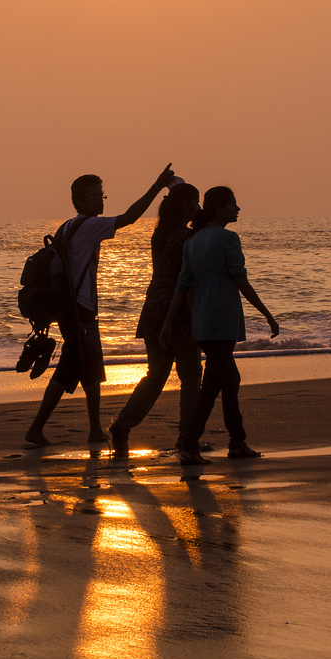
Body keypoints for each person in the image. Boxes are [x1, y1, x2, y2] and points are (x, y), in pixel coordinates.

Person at [25, 164, 175, 447]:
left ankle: (94, 429)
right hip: (78, 310)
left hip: (72, 308)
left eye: (101, 196)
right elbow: (130, 218)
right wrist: (157, 187)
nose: (99, 201)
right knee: (71, 365)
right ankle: (36, 428)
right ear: (79, 201)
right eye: (93, 197)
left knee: (91, 367)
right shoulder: (89, 225)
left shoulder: (66, 226)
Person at [160, 186, 279, 465]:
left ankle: (237, 443)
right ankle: (189, 444)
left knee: (230, 379)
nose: (238, 209)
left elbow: (183, 285)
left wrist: (169, 322)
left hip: (202, 319)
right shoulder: (228, 239)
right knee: (212, 384)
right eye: (233, 204)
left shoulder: (193, 240)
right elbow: (240, 280)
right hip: (222, 317)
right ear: (219, 208)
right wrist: (267, 314)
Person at [108, 182, 202, 457]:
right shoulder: (187, 238)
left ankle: (123, 426)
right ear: (186, 206)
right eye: (195, 203)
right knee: (191, 376)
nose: (198, 208)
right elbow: (187, 282)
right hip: (177, 309)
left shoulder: (160, 234)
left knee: (157, 374)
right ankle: (187, 438)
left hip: (153, 307)